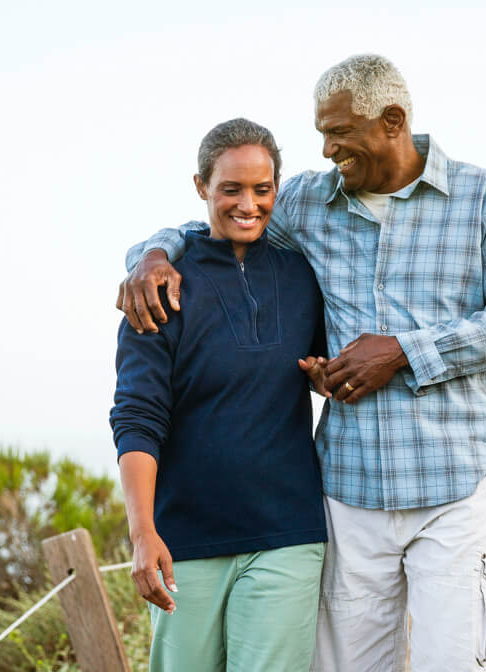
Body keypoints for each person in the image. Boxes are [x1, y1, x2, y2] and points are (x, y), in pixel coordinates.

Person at [117, 55, 486, 671]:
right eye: (321, 133)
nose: (327, 151)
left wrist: (402, 352)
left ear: (392, 120)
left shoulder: (484, 199)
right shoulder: (308, 204)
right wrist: (151, 252)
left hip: (457, 482)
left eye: (339, 133)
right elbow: (227, 217)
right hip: (348, 490)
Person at [110, 118, 331, 672]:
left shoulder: (304, 274)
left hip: (288, 535)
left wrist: (324, 372)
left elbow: (322, 359)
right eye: (230, 188)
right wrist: (143, 534)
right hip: (185, 540)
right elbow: (137, 417)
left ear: (276, 188)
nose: (248, 204)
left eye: (262, 189)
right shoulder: (159, 285)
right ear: (201, 186)